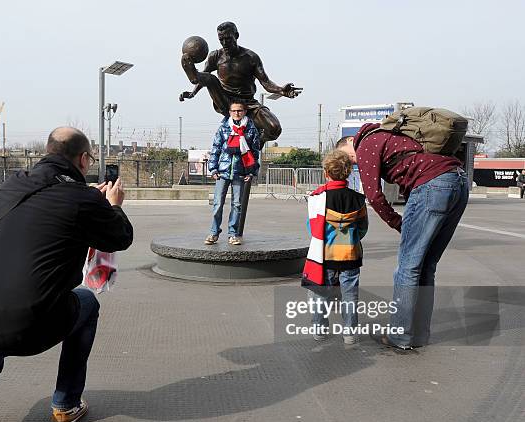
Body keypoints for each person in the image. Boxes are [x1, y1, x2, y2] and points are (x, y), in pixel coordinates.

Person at [0, 127, 134, 422]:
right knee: (87, 302)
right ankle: (66, 404)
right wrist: (112, 206)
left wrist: (90, 201)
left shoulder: (12, 184)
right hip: (30, 323)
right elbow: (120, 238)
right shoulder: (82, 198)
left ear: (47, 151)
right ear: (84, 159)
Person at [338, 123, 468, 351]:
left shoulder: (366, 143)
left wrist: (398, 223)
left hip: (432, 187)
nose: (355, 163)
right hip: (458, 182)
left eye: (350, 159)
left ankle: (400, 336)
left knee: (407, 268)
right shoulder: (390, 135)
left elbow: (374, 196)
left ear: (351, 142)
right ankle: (419, 334)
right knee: (427, 265)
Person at [179, 21, 301, 144]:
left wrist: (281, 90)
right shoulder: (215, 56)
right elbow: (205, 78)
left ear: (236, 36)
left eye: (228, 38)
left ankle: (256, 142)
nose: (225, 43)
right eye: (221, 39)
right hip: (226, 101)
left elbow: (266, 82)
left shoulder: (251, 57)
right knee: (210, 79)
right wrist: (192, 93)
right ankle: (192, 73)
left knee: (274, 128)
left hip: (248, 103)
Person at [302, 149, 368, 345]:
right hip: (350, 255)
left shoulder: (318, 198)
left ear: (326, 173)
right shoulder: (358, 199)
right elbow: (363, 228)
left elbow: (313, 229)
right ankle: (350, 333)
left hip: (325, 255)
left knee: (320, 294)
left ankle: (319, 328)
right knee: (350, 296)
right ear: (348, 172)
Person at [205, 100, 260, 245]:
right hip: (223, 172)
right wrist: (213, 168)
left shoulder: (251, 130)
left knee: (237, 205)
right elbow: (216, 148)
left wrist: (251, 171)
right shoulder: (223, 128)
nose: (237, 113)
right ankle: (214, 232)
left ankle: (233, 234)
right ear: (230, 112)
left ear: (244, 112)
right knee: (217, 204)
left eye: (239, 111)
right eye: (234, 111)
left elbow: (254, 153)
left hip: (240, 172)